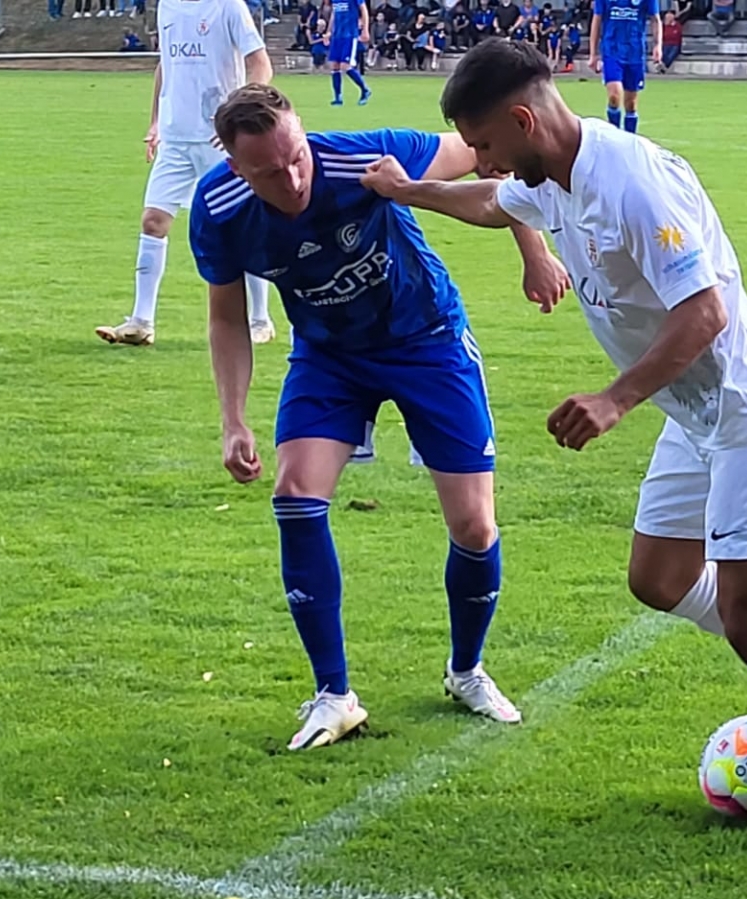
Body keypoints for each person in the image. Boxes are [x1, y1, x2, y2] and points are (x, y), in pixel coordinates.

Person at [361, 40, 747, 839]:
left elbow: (705, 312)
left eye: (483, 142)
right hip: (694, 413)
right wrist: (408, 190)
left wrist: (615, 399)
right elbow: (491, 202)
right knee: (660, 577)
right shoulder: (547, 177)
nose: (481, 160)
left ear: (523, 120)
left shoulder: (631, 182)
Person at [189, 85, 572, 748]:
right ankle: (333, 696)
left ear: (304, 132)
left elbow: (490, 159)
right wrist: (232, 419)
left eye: (297, 157)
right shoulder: (218, 209)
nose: (293, 179)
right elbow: (226, 317)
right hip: (330, 357)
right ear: (232, 165)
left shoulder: (364, 158)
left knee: (474, 525)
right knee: (295, 494)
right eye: (270, 172)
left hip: (427, 340)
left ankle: (466, 671)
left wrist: (533, 250)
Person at [95, 0, 276, 349]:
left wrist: (239, 118)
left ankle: (260, 320)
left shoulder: (228, 6)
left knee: (240, 227)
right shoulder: (167, 6)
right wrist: (155, 122)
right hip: (175, 139)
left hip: (219, 141)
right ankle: (141, 322)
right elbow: (166, 65)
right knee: (153, 222)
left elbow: (260, 64)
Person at [590, 0, 660, 130]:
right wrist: (593, 54)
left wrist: (658, 45)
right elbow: (597, 20)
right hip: (611, 50)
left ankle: (630, 137)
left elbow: (655, 19)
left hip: (635, 52)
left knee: (631, 104)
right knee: (614, 95)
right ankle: (614, 135)